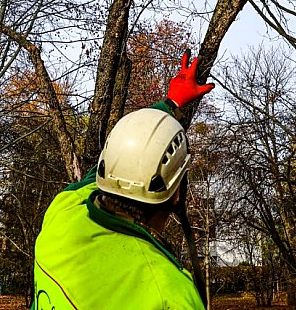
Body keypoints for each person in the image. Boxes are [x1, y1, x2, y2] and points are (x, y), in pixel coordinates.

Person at [31, 52, 214, 310]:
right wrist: (172, 105)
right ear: (175, 195)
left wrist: (171, 103)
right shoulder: (169, 295)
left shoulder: (64, 212)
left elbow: (113, 166)